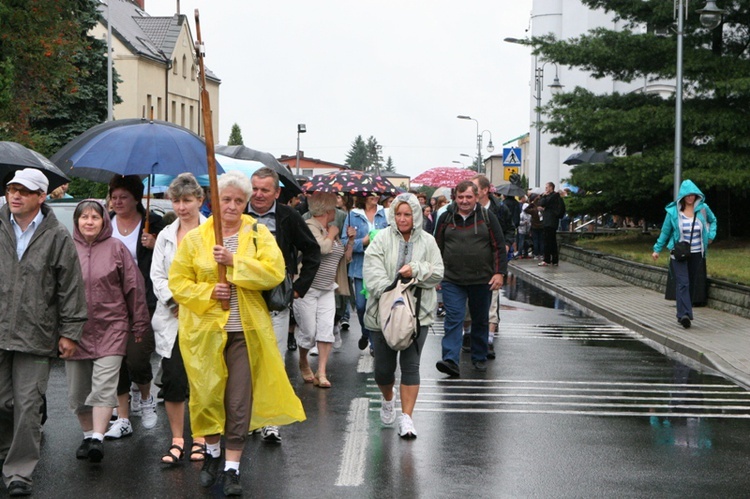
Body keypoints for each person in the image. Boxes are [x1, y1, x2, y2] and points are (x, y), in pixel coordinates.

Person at [169, 171, 306, 496]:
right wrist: (207, 293)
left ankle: (232, 468)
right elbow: (178, 282)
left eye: (238, 201)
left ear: (246, 203)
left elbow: (273, 272)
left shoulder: (258, 234)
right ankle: (212, 456)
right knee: (207, 398)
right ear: (215, 201)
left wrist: (235, 262)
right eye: (225, 199)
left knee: (238, 401)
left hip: (244, 332)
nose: (231, 206)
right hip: (204, 335)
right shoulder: (195, 239)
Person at [0, 169, 87, 496]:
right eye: (11, 189)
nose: (15, 195)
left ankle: (19, 472)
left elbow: (71, 288)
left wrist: (71, 332)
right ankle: (5, 451)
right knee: (2, 402)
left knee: (27, 404)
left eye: (24, 190)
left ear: (41, 196)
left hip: (36, 335)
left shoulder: (57, 236)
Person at [67, 200, 150, 464]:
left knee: (104, 387)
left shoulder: (116, 248)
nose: (89, 221)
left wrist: (139, 324)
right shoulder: (67, 249)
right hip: (75, 330)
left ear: (104, 221)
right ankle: (87, 434)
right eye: (84, 217)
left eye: (95, 217)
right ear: (77, 221)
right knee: (78, 395)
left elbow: (134, 288)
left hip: (112, 327)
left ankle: (97, 440)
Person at [247, 167, 320, 443]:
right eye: (254, 188)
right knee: (247, 361)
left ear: (277, 192)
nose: (258, 194)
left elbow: (312, 250)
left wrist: (300, 287)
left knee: (273, 359)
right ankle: (250, 416)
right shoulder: (239, 214)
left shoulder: (288, 217)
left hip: (276, 300)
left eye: (265, 189)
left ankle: (271, 421)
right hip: (242, 299)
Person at [364, 193, 443, 438]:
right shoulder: (381, 239)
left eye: (407, 214)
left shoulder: (428, 241)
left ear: (416, 215)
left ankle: (407, 418)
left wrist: (416, 270)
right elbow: (371, 271)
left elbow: (438, 272)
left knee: (411, 366)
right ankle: (388, 398)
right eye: (398, 213)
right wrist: (392, 291)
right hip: (383, 314)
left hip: (418, 316)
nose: (402, 218)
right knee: (383, 371)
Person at [150, 174, 207, 464]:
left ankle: (200, 437)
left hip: (204, 317)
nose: (182, 207)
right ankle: (176, 439)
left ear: (200, 200)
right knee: (173, 378)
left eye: (187, 200)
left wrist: (194, 302)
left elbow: (214, 276)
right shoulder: (165, 235)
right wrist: (174, 301)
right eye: (176, 200)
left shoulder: (212, 232)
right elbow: (157, 275)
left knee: (200, 380)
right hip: (172, 316)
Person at [105, 175, 164, 439]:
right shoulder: (106, 222)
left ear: (137, 198)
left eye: (123, 197)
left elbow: (172, 258)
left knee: (138, 356)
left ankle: (146, 396)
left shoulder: (155, 223)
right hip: (111, 301)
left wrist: (155, 245)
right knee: (114, 357)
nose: (117, 202)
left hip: (145, 299)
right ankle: (124, 416)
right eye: (114, 197)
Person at [434, 181, 506, 377]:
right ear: (454, 197)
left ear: (476, 197)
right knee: (454, 318)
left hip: (482, 279)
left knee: (480, 319)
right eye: (460, 197)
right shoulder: (446, 217)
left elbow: (498, 246)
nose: (464, 201)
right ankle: (450, 359)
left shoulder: (486, 216)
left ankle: (479, 356)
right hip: (452, 279)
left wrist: (499, 273)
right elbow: (436, 246)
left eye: (468, 197)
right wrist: (435, 273)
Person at [294, 192, 349, 388]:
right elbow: (321, 249)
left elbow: (342, 257)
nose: (337, 210)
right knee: (309, 332)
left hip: (327, 288)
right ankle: (303, 360)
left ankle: (322, 371)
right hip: (308, 288)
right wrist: (333, 234)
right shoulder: (309, 226)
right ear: (327, 210)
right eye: (334, 207)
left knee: (326, 330)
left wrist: (349, 240)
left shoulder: (328, 228)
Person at [652, 180, 717, 329]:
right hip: (678, 253)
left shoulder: (702, 209)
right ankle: (686, 315)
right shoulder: (674, 212)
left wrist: (711, 236)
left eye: (693, 195)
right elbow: (665, 231)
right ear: (682, 196)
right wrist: (657, 249)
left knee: (691, 283)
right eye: (687, 195)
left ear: (696, 195)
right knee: (683, 283)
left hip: (696, 253)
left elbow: (713, 221)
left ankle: (681, 314)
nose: (690, 198)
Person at [342, 193, 388, 353]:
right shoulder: (353, 216)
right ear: (363, 196)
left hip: (381, 268)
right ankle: (365, 333)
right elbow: (343, 243)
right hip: (360, 268)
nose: (375, 197)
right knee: (361, 306)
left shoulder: (386, 214)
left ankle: (375, 344)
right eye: (371, 195)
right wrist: (363, 241)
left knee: (376, 306)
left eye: (377, 194)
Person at [537, 182, 566, 267]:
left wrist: (544, 196)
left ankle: (547, 260)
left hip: (549, 221)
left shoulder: (553, 196)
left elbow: (542, 203)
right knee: (552, 241)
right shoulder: (556, 197)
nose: (545, 189)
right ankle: (554, 260)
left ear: (551, 188)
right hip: (552, 221)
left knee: (547, 241)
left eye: (546, 187)